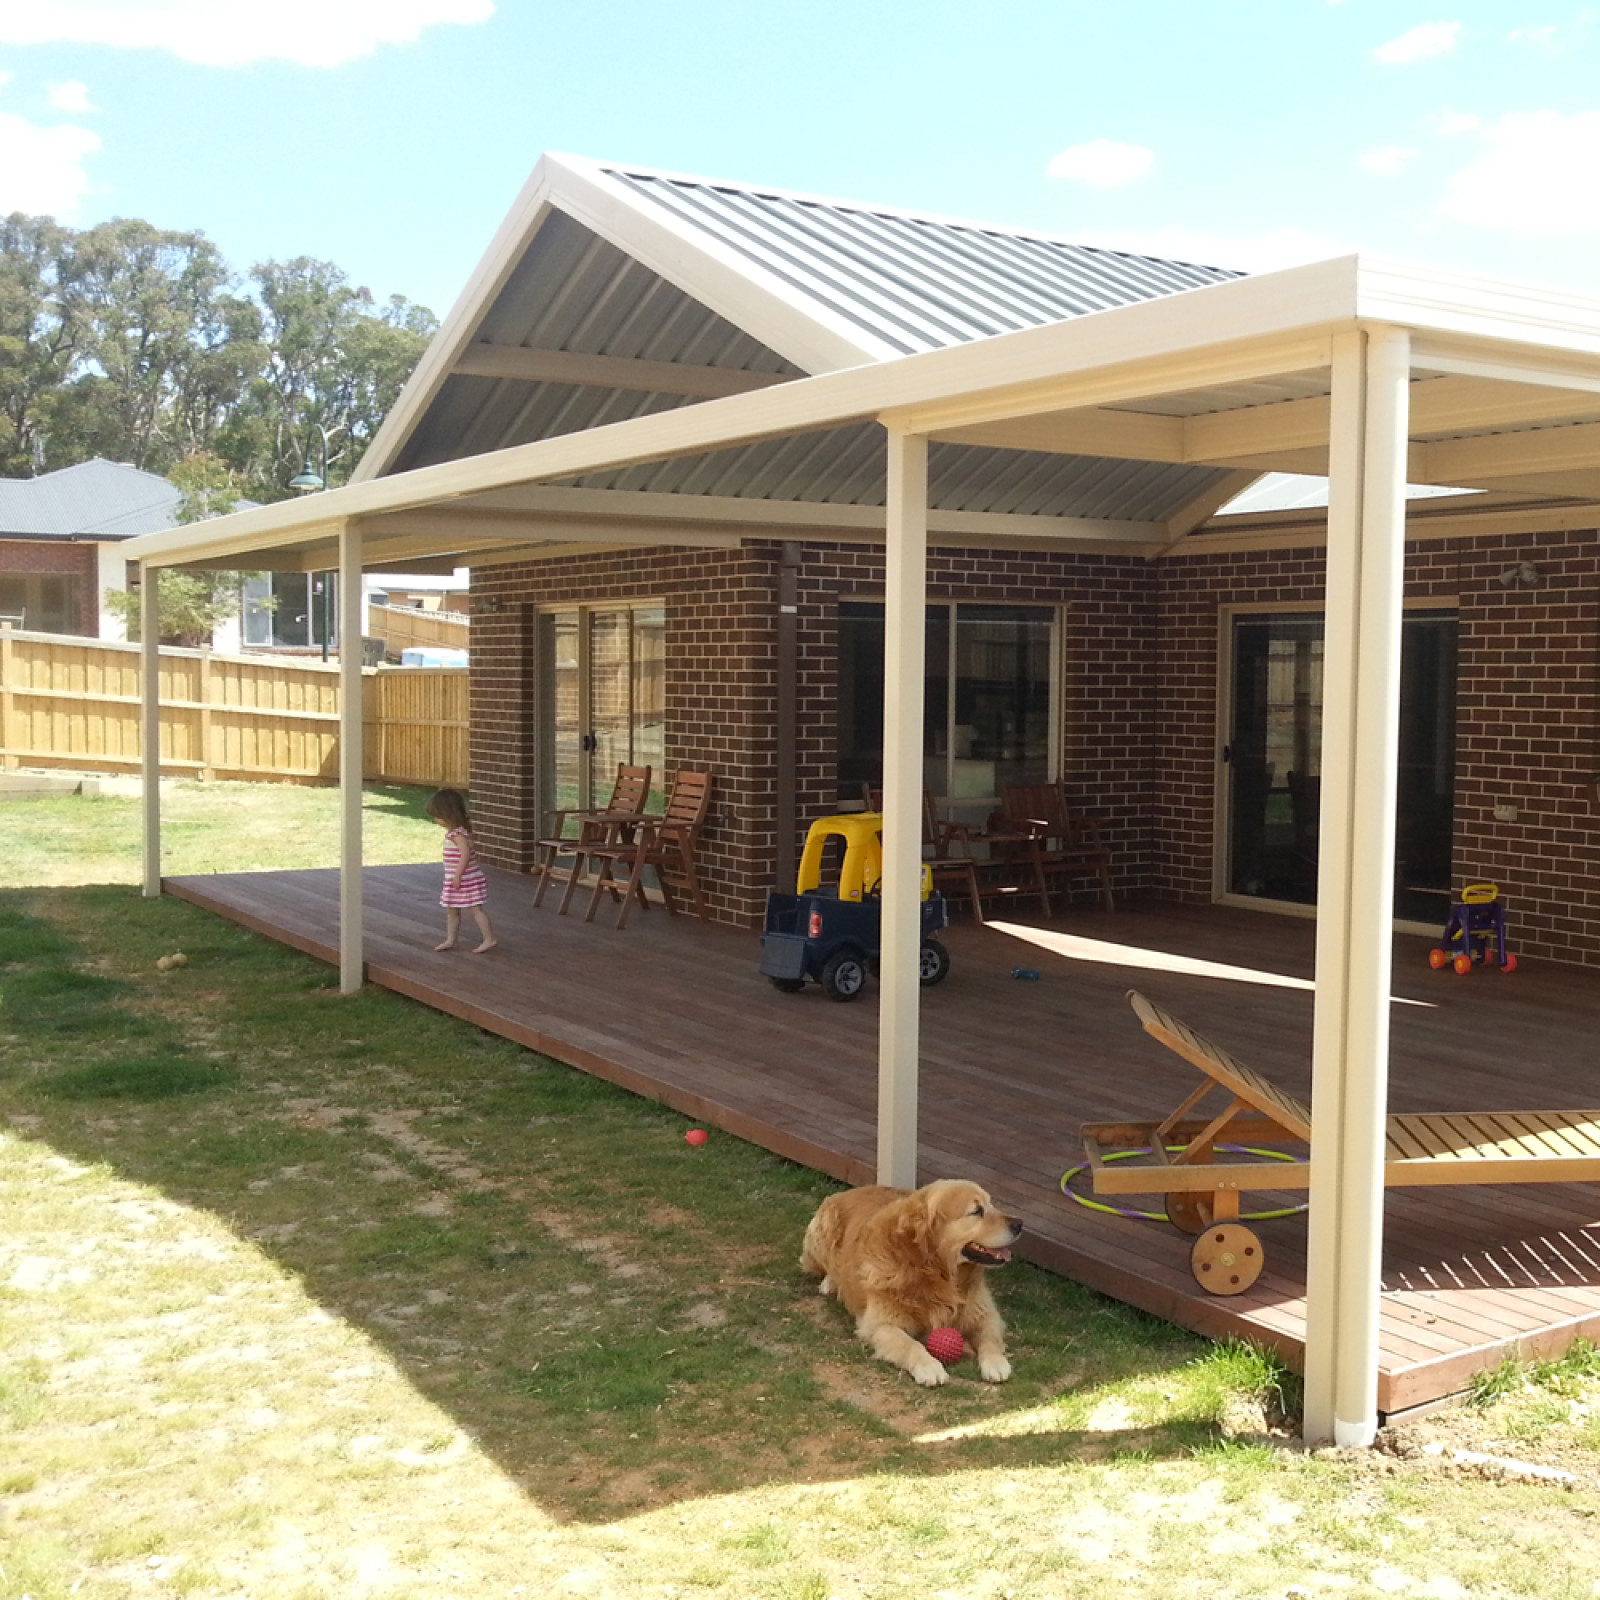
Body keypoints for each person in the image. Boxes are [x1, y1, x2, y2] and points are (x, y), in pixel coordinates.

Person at [425, 788, 497, 953]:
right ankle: (451, 939)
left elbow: (465, 854)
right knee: (452, 910)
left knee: (475, 909)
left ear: (449, 814)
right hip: (454, 878)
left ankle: (489, 938)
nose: (436, 820)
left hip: (465, 878)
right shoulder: (457, 833)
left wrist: (458, 875)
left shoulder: (458, 835)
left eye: (438, 816)